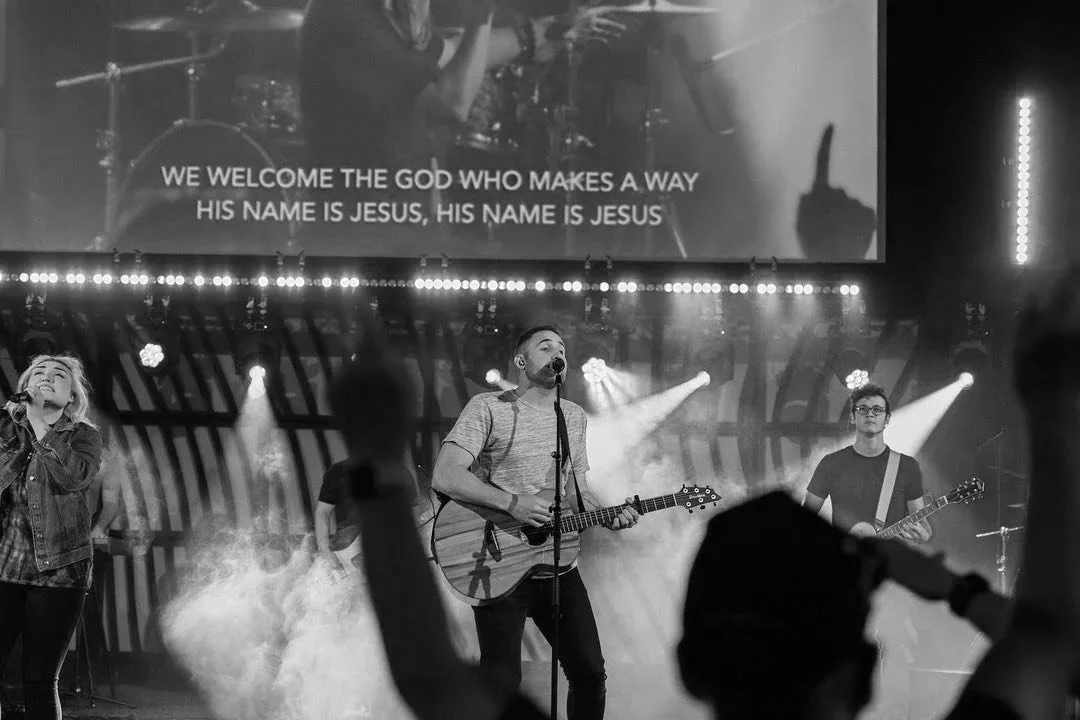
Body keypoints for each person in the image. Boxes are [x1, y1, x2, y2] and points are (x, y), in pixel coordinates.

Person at [432, 324, 638, 720]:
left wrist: (611, 514)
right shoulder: (488, 407)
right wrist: (513, 503)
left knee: (591, 672)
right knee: (502, 681)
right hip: (495, 557)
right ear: (521, 361)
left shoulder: (572, 417)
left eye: (561, 347)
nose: (557, 352)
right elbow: (446, 474)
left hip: (558, 564)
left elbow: (577, 492)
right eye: (546, 347)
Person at [0, 354, 104, 720]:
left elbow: (73, 478)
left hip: (59, 571)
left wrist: (39, 423)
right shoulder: (5, 430)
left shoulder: (84, 436)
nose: (47, 377)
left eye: (58, 375)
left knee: (39, 680)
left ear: (72, 397)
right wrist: (18, 419)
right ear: (26, 386)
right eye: (38, 373)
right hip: (4, 566)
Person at [803, 382, 932, 542]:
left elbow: (921, 523)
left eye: (877, 410)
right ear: (852, 417)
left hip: (889, 561)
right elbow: (802, 520)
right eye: (862, 409)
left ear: (887, 418)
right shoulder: (831, 463)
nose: (870, 414)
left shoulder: (907, 466)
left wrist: (924, 536)